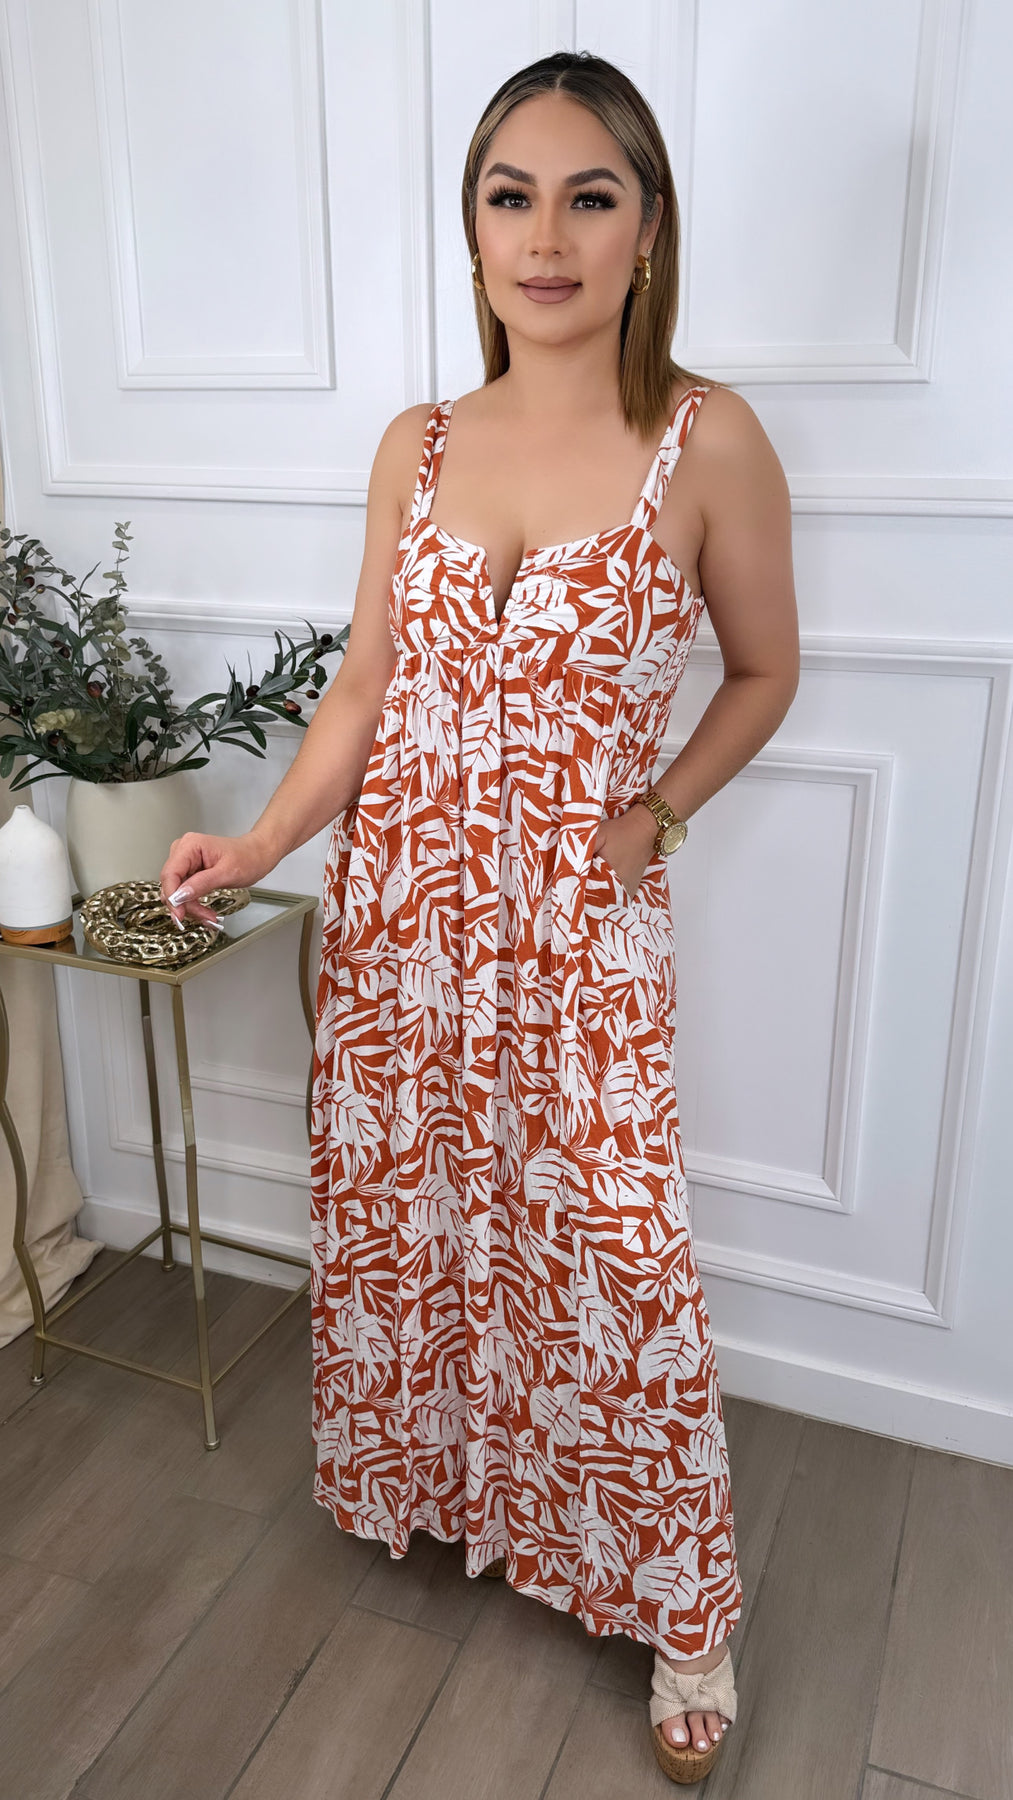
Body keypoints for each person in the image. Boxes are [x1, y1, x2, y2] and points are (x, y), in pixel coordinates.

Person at [160, 50, 799, 1784]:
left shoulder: (707, 440)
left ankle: (684, 1609)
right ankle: (453, 1492)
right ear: (471, 228)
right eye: (511, 196)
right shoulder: (418, 444)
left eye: (590, 196)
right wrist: (260, 839)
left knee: (614, 1253)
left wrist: (654, 814)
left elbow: (764, 669)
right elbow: (369, 685)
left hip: (577, 931)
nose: (547, 236)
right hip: (405, 923)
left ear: (648, 228)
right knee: (418, 1215)